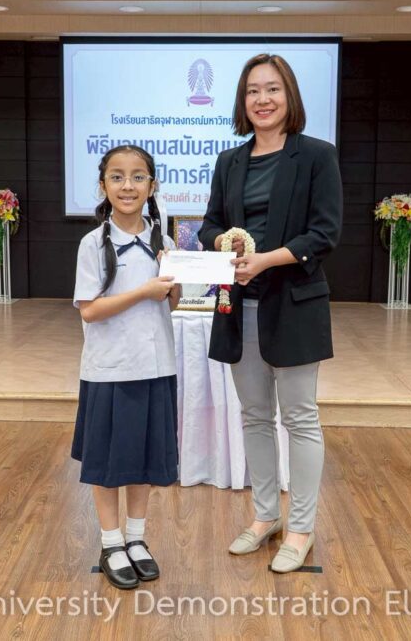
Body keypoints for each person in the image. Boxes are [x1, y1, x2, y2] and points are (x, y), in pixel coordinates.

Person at [198, 53, 342, 573]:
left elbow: (324, 233)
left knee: (300, 419)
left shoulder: (317, 156)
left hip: (295, 305)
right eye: (253, 91)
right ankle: (265, 517)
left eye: (273, 89)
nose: (263, 99)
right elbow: (210, 224)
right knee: (255, 417)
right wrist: (225, 243)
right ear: (243, 101)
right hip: (240, 307)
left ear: (289, 96)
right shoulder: (229, 161)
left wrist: (265, 260)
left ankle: (300, 527)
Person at [72, 144, 182, 590]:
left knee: (143, 459)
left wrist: (173, 284)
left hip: (155, 367)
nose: (128, 186)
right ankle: (111, 542)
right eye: (117, 177)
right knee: (107, 462)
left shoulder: (165, 242)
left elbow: (172, 303)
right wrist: (143, 291)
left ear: (152, 186)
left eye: (138, 177)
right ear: (103, 186)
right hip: (110, 371)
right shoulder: (93, 244)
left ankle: (136, 539)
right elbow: (89, 310)